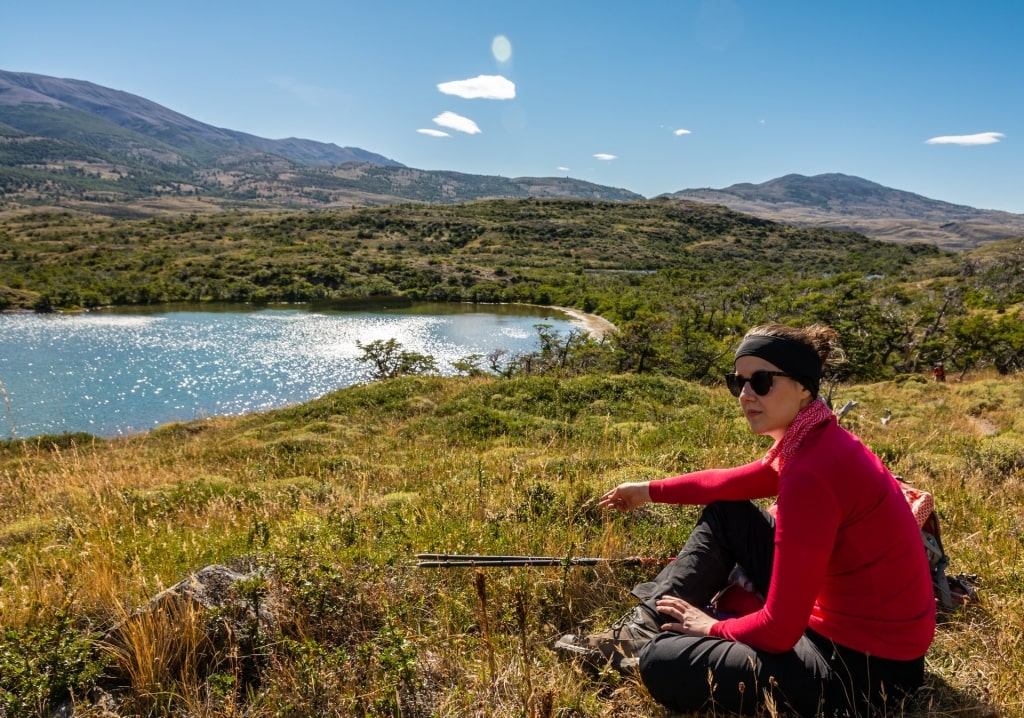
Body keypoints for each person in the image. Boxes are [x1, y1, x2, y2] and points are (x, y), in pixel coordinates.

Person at [555, 323, 936, 717]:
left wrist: (711, 627)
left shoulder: (811, 472)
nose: (745, 395)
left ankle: (648, 645)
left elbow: (779, 631)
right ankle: (643, 628)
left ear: (804, 386)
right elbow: (729, 483)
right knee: (727, 511)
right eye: (737, 382)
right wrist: (647, 489)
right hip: (860, 636)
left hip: (862, 672)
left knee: (661, 661)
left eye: (762, 381)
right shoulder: (816, 438)